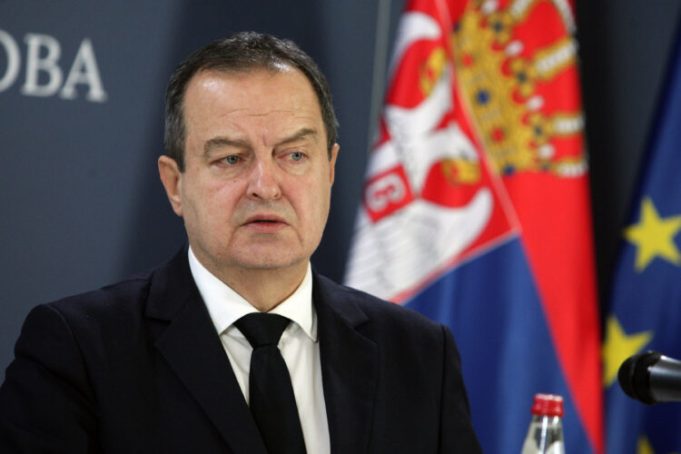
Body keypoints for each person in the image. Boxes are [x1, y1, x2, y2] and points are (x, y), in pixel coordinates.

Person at [0, 32, 481, 453]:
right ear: (174, 184)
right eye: (231, 158)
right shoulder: (78, 351)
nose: (266, 186)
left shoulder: (419, 354)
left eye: (294, 155)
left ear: (330, 170)